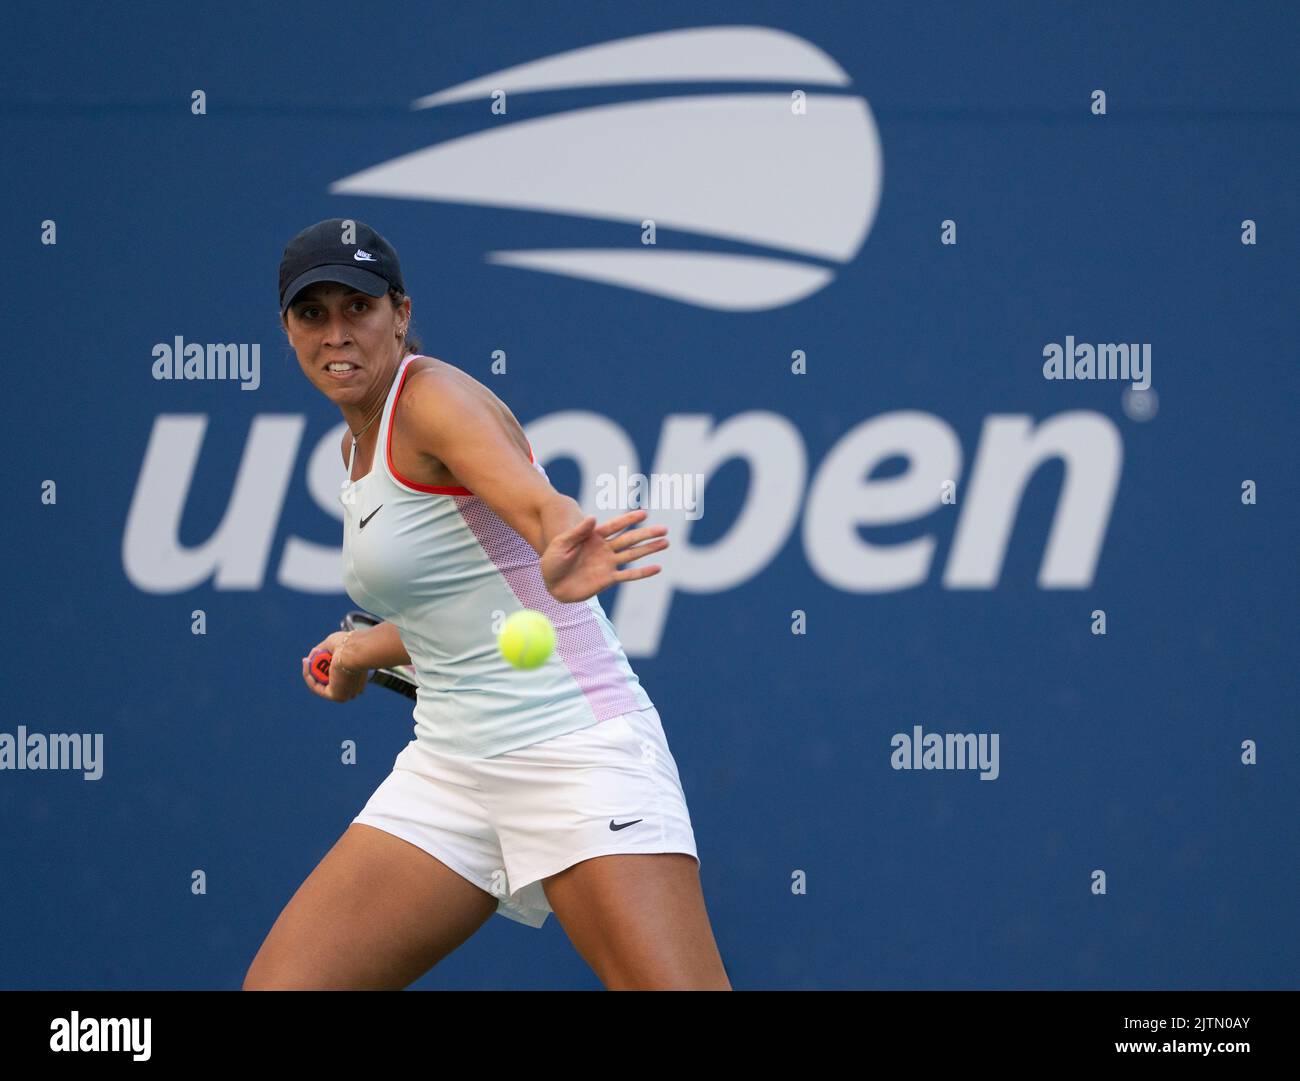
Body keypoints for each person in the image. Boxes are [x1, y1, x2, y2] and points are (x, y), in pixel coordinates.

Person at [243, 219, 730, 990]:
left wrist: (560, 531)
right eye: (313, 314)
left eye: (358, 308)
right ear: (288, 330)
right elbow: (461, 605)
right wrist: (362, 650)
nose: (337, 333)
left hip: (574, 750)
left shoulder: (432, 399)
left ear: (399, 314)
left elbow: (535, 504)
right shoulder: (355, 446)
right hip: (451, 766)